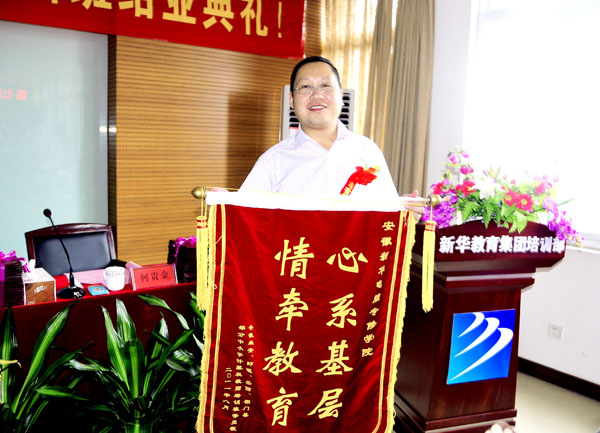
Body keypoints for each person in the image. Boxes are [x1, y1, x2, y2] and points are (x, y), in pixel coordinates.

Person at [241, 56, 418, 205]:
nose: (316, 95)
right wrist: (228, 205)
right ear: (292, 100)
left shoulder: (368, 151)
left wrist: (405, 211)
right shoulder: (273, 160)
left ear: (341, 96)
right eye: (305, 87)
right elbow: (244, 217)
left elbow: (386, 215)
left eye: (325, 86)